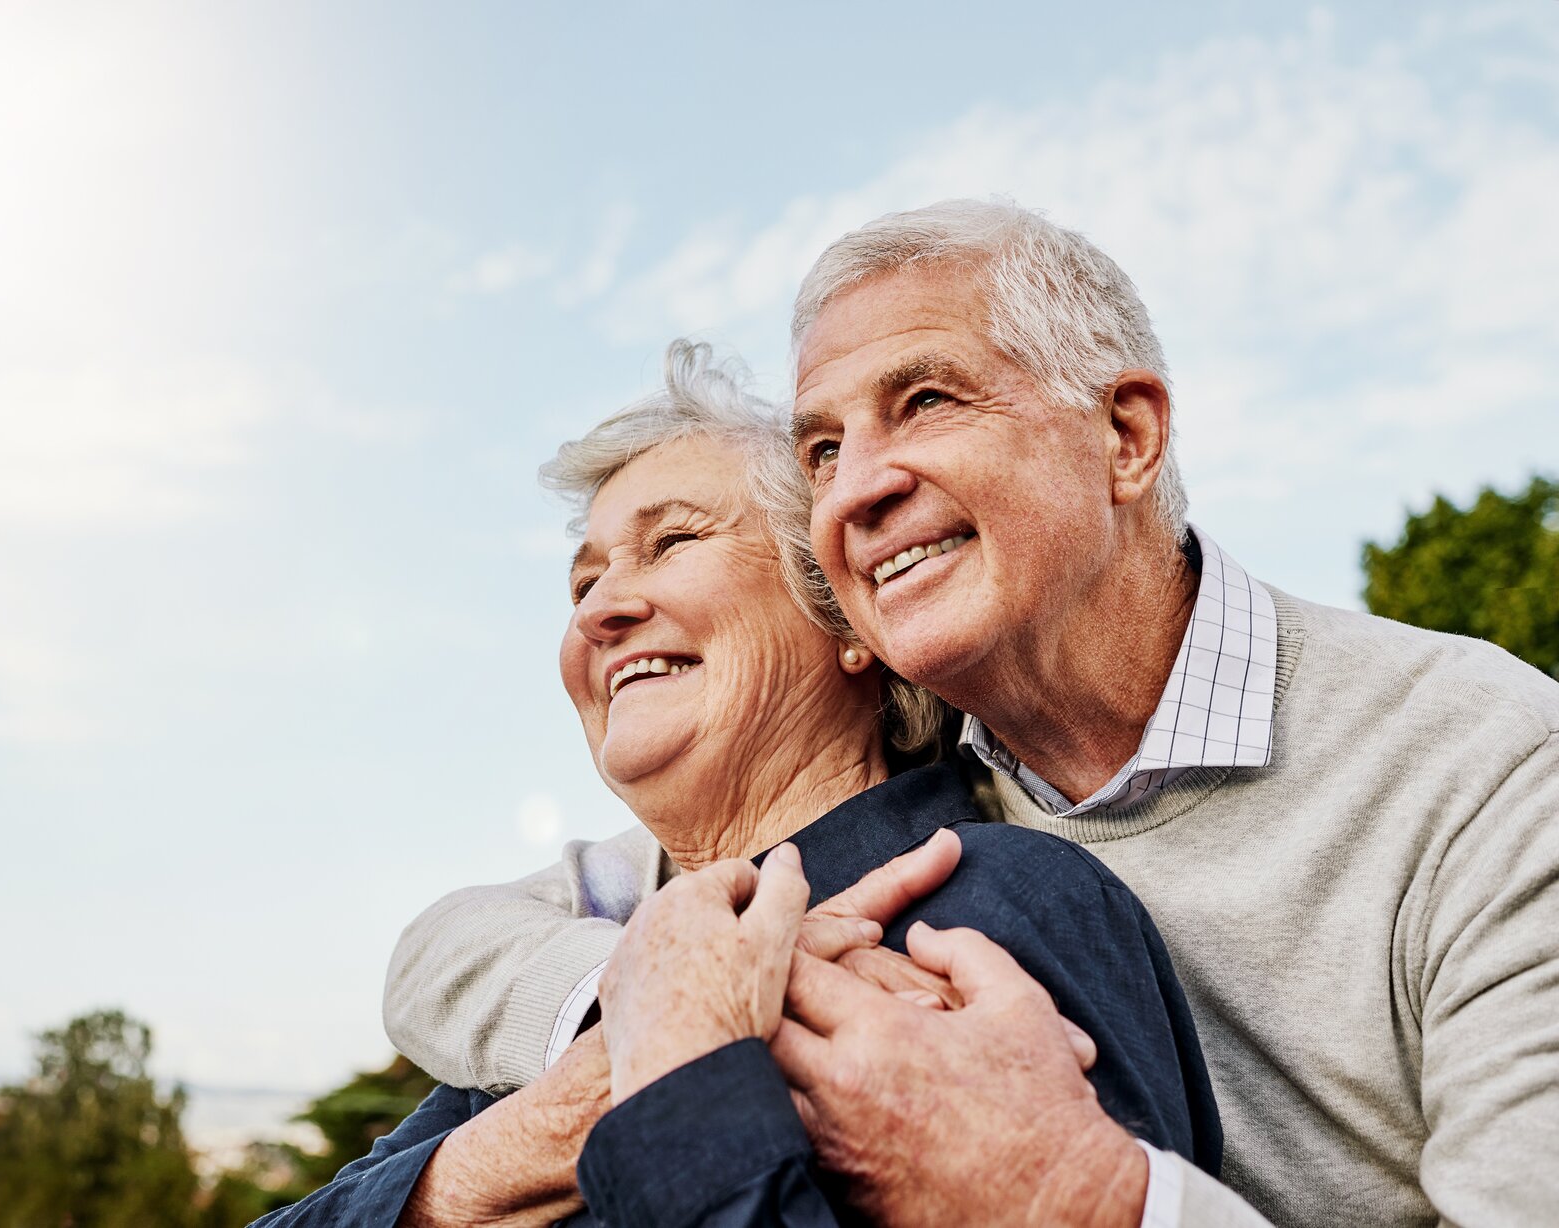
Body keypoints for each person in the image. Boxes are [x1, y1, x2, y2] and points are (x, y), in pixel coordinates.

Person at [385, 200, 1559, 1227]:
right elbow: (460, 944)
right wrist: (654, 1003)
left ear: (1126, 434)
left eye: (926, 399)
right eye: (826, 446)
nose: (857, 487)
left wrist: (1085, 1197)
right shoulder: (909, 788)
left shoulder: (1489, 767)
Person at [256, 342, 1219, 1226]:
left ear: (847, 618)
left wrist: (684, 1075)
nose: (600, 612)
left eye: (671, 542)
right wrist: (518, 1148)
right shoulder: (581, 999)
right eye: (582, 585)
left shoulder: (999, 913)